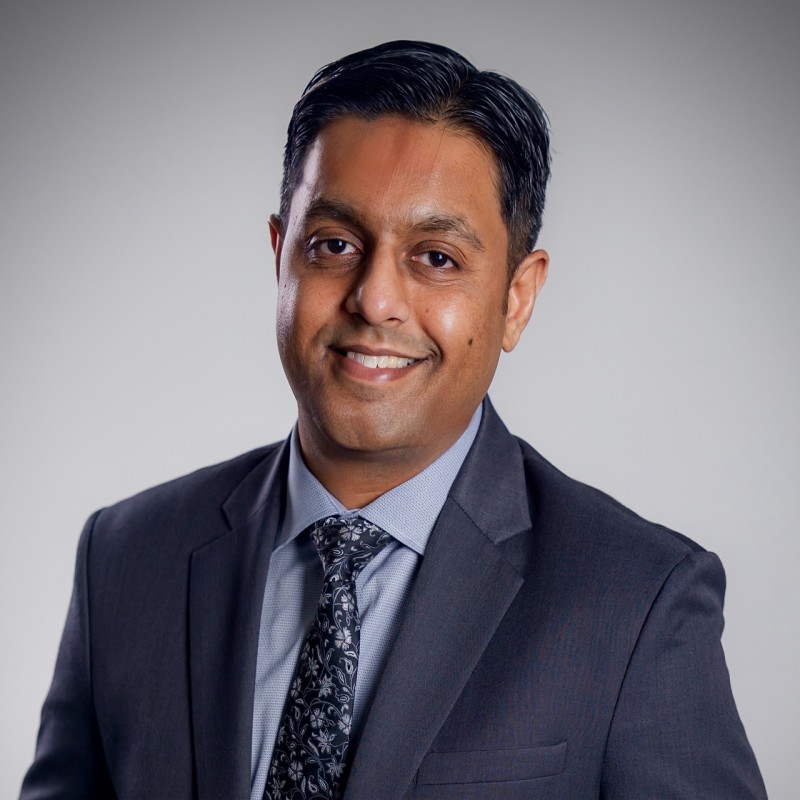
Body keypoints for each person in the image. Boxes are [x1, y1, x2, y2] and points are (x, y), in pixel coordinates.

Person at [21, 40, 766, 800]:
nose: (375, 299)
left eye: (436, 257)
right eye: (334, 245)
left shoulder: (638, 601)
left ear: (517, 298)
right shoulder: (126, 559)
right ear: (280, 256)